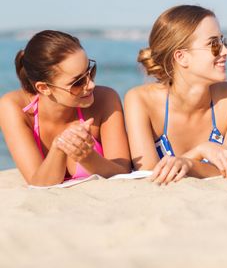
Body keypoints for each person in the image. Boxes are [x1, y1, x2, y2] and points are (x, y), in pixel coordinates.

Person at [124, 5, 227, 184]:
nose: (225, 51)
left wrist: (188, 163)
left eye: (223, 42)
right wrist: (200, 152)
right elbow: (148, 173)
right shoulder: (140, 100)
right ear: (181, 57)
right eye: (213, 44)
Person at [0, 30, 131, 186]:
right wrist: (59, 147)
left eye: (90, 71)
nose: (91, 85)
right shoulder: (13, 107)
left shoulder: (106, 99)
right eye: (77, 82)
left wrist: (88, 157)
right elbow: (38, 184)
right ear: (43, 88)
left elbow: (123, 171)